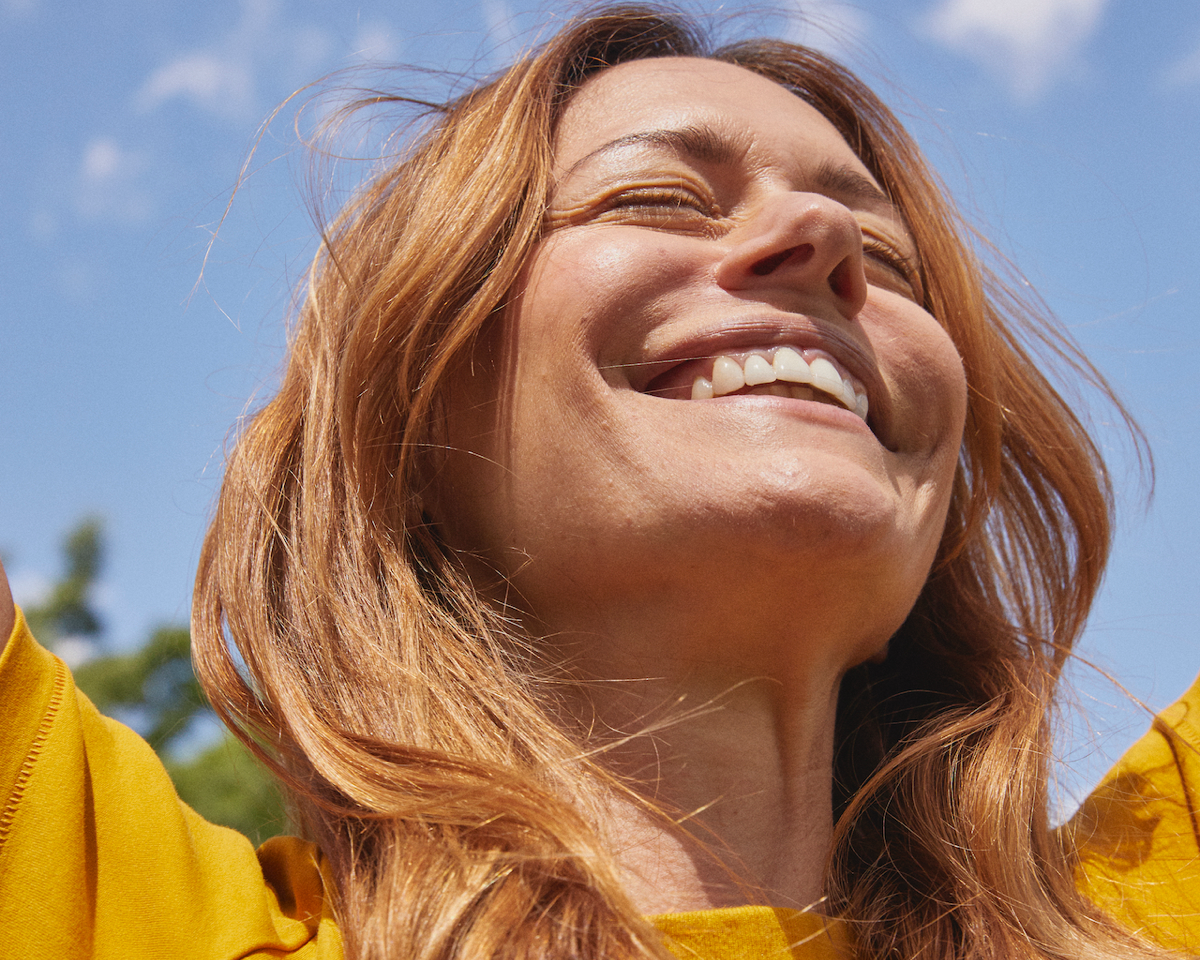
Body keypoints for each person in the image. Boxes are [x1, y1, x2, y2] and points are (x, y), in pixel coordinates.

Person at [2, 7, 1198, 960]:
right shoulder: (126, 916)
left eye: (884, 255)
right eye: (657, 199)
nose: (824, 248)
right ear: (403, 425)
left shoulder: (1142, 913)